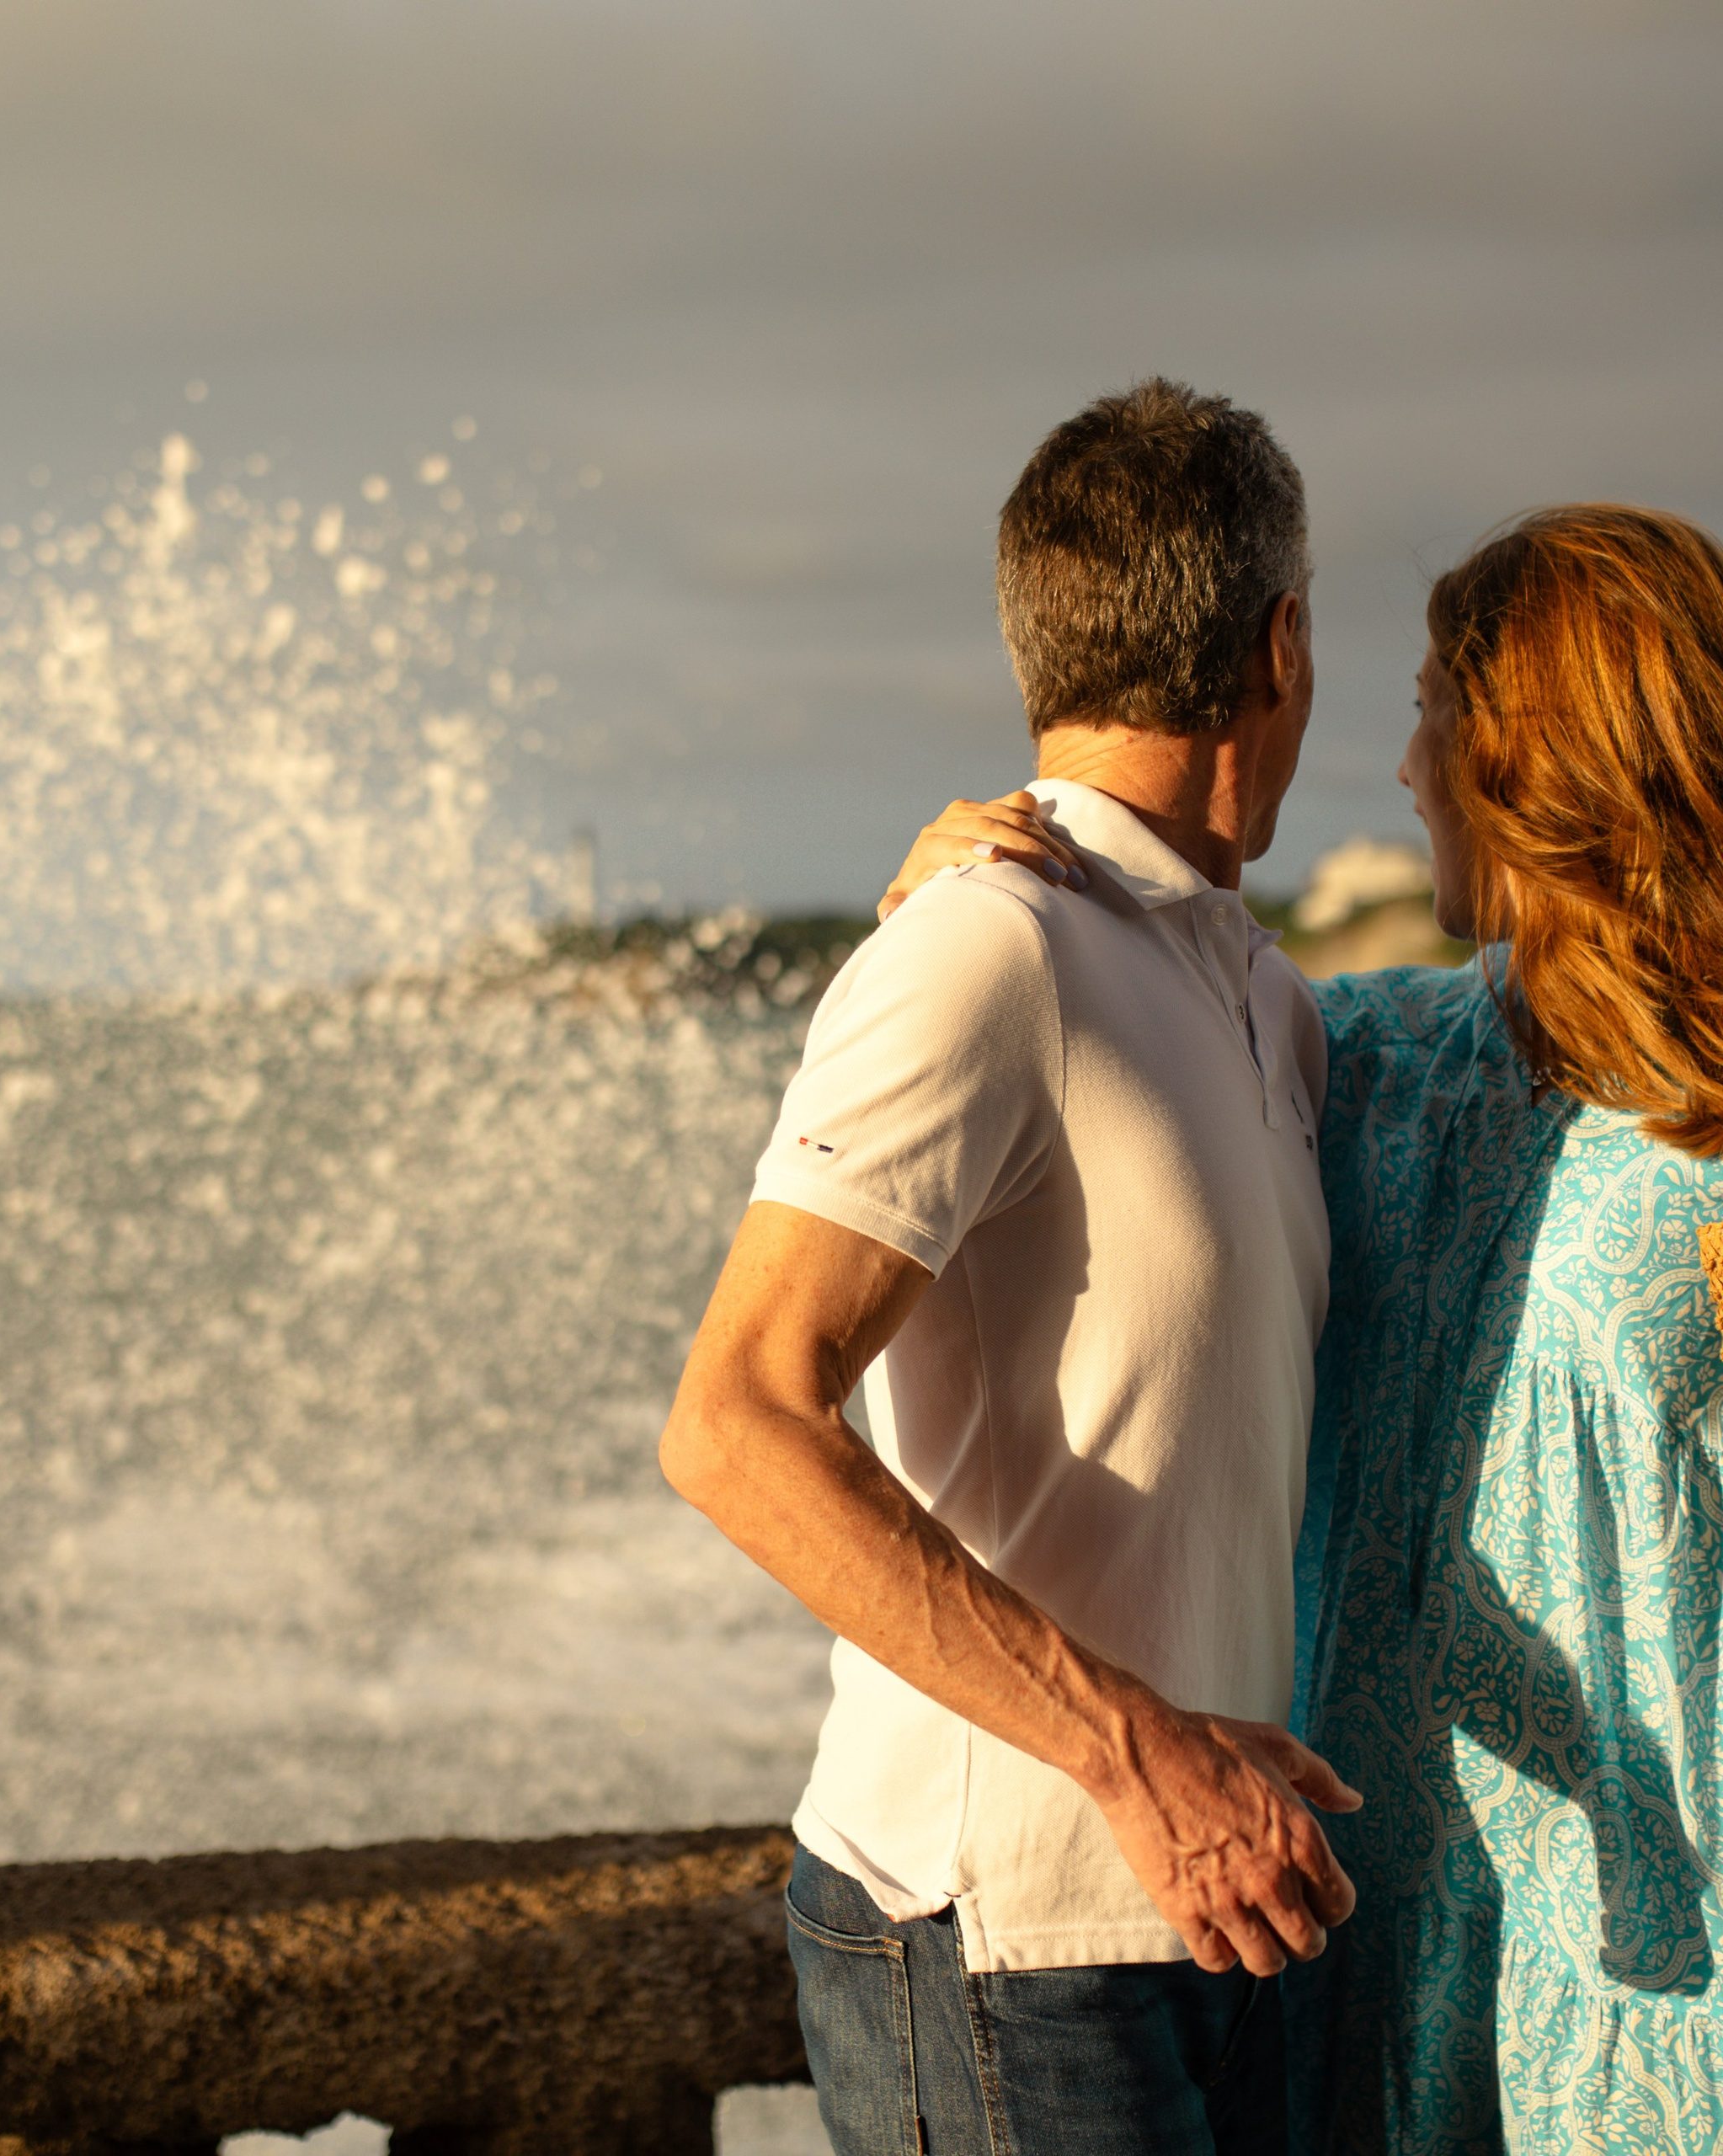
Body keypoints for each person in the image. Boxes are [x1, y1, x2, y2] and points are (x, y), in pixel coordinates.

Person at [883, 504, 1723, 2153]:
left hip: (1661, 2000)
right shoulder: (1384, 1061)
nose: (1401, 765)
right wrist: (954, 917)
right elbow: (1109, 1058)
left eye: (1429, 711)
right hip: (1383, 1981)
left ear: (1533, 761)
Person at [659, 377, 1362, 2156]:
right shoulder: (978, 948)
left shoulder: (1265, 1001)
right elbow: (731, 1423)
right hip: (1005, 1943)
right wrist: (1136, 1752)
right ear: (1278, 646)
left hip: (1227, 1903)